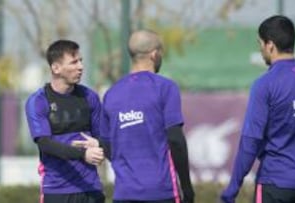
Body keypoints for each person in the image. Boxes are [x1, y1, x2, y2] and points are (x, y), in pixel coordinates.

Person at [220, 15, 295, 203]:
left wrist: (232, 189)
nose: (260, 49)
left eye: (260, 43)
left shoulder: (264, 85)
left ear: (270, 45)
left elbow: (250, 141)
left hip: (274, 185)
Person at [73, 30, 195, 203]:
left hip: (124, 194)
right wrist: (187, 187)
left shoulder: (111, 94)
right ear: (154, 54)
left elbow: (108, 147)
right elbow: (175, 140)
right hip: (161, 192)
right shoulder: (165, 87)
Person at [25, 39, 106, 203]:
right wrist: (83, 154)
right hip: (57, 191)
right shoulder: (38, 101)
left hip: (91, 189)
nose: (80, 67)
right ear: (56, 68)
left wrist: (99, 144)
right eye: (74, 62)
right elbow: (45, 144)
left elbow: (104, 139)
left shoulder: (90, 97)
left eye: (81, 61)